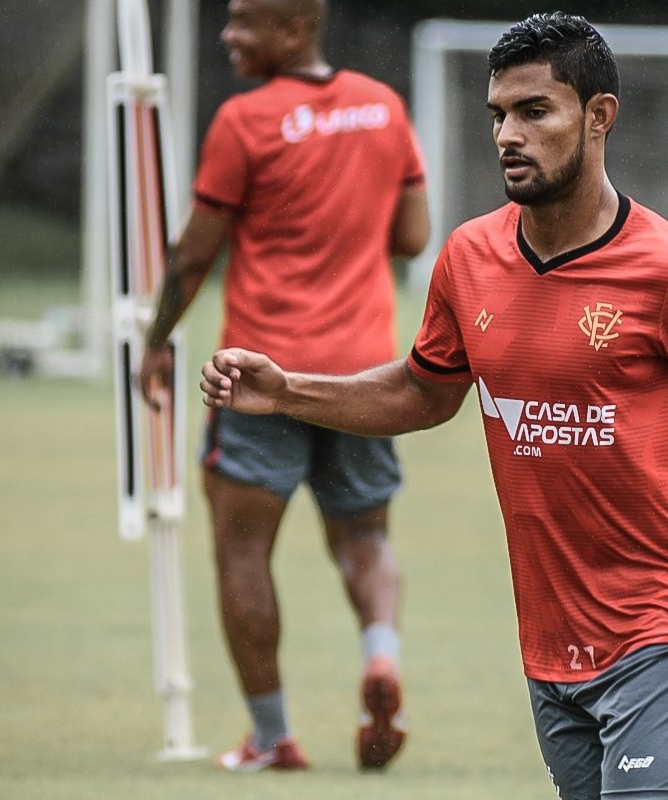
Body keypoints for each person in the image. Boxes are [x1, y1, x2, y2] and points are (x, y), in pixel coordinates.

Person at [199, 12, 668, 798]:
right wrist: (286, 391)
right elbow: (422, 392)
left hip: (664, 628)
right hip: (550, 643)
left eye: (534, 111)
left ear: (599, 116)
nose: (508, 134)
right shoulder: (471, 257)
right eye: (498, 115)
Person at [138, 0, 429, 772]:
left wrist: (156, 339)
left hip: (260, 378)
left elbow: (194, 254)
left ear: (297, 26)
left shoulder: (244, 121)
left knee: (242, 552)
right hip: (365, 373)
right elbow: (411, 236)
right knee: (365, 536)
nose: (228, 35)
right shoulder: (384, 105)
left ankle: (272, 737)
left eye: (244, 21)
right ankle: (382, 658)